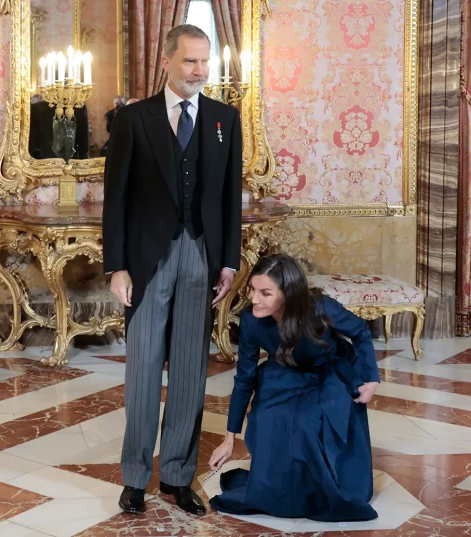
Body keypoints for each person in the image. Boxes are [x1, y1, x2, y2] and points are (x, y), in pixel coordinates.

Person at [103, 24, 243, 516]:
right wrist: (116, 267)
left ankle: (179, 476)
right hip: (147, 260)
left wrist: (228, 261)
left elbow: (229, 198)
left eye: (205, 62)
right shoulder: (133, 119)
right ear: (166, 62)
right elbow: (115, 198)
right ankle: (136, 478)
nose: (199, 71)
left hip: (201, 255)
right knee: (142, 371)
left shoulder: (225, 118)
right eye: (189, 61)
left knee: (189, 370)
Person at [209, 254, 380, 522]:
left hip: (327, 370)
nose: (254, 299)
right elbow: (244, 378)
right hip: (284, 371)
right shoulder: (252, 321)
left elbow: (360, 331)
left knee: (304, 423)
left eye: (265, 293)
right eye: (252, 290)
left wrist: (371, 378)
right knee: (267, 418)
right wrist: (229, 438)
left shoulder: (320, 308)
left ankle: (316, 491)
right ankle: (277, 490)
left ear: (288, 293)